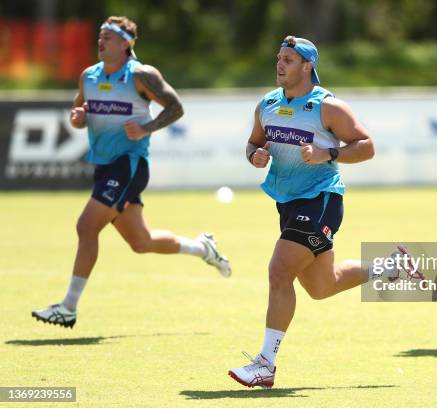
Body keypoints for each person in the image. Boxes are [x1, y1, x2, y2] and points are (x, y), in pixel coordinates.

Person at [32, 16, 231, 329]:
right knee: (141, 241)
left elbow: (175, 107)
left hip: (130, 164)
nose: (101, 41)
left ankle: (68, 307)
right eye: (100, 35)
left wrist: (146, 128)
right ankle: (202, 247)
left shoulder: (140, 75)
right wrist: (78, 118)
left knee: (86, 226)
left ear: (126, 43)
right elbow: (79, 114)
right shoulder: (89, 76)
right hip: (105, 166)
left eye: (109, 36)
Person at [228, 36, 376, 388]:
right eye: (279, 58)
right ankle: (390, 267)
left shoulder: (328, 107)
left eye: (289, 59)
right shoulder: (267, 103)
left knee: (279, 271)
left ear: (308, 66)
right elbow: (253, 143)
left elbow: (367, 146)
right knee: (323, 286)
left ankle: (265, 364)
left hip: (321, 199)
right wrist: (255, 156)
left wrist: (330, 154)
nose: (280, 65)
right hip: (288, 203)